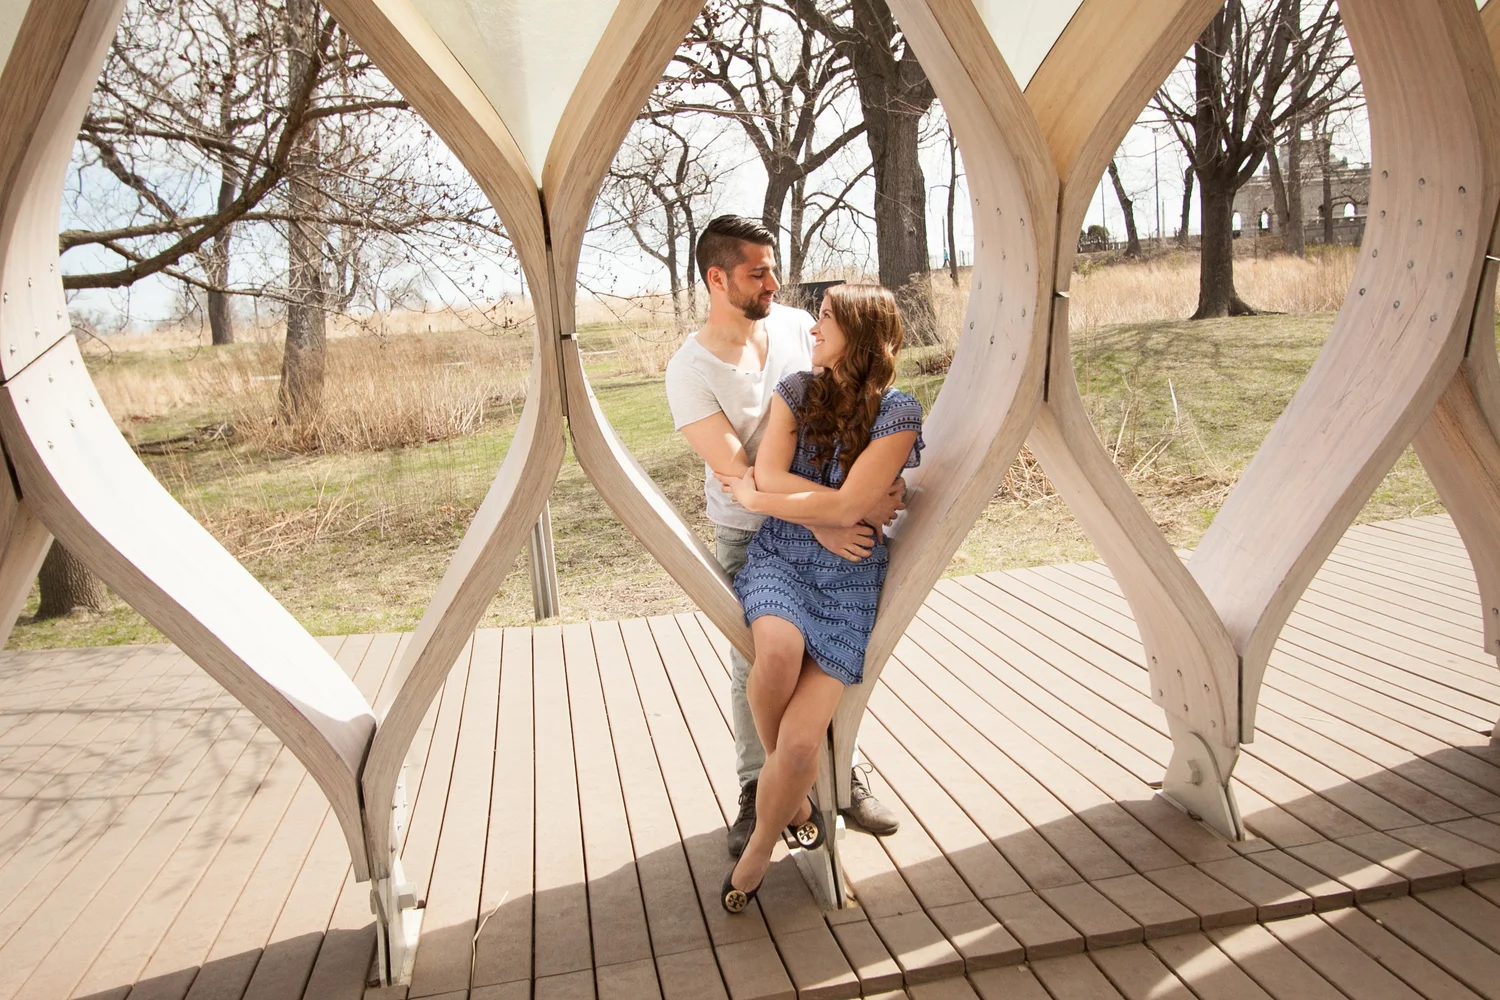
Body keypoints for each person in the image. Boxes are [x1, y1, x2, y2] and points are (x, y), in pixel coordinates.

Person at [664, 215, 900, 858]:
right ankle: (758, 788)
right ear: (717, 279)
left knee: (832, 655)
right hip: (753, 535)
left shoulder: (801, 328)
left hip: (837, 527)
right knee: (759, 661)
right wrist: (835, 516)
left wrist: (876, 491)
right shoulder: (689, 371)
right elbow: (742, 472)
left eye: (773, 269)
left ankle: (840, 773)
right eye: (757, 273)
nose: (774, 282)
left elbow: (860, 409)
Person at [717, 283, 922, 914]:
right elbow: (787, 478)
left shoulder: (898, 413)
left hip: (849, 577)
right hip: (783, 556)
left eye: (826, 318)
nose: (813, 328)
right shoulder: (796, 392)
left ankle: (781, 813)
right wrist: (831, 512)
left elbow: (830, 500)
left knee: (803, 746)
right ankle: (781, 823)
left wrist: (758, 499)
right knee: (776, 653)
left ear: (859, 332)